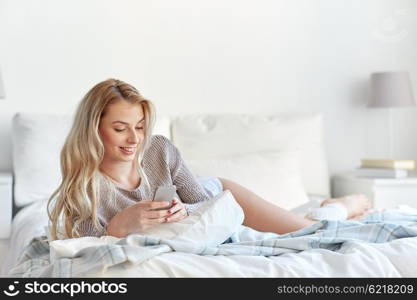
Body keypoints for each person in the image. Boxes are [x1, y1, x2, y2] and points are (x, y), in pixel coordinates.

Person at [47, 79, 370, 240]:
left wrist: (181, 210)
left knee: (306, 232)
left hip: (217, 193)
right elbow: (85, 246)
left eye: (140, 127)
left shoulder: (159, 150)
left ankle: (347, 204)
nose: (135, 139)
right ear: (93, 129)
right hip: (200, 213)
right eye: (120, 129)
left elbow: (209, 205)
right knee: (291, 227)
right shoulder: (85, 188)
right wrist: (117, 228)